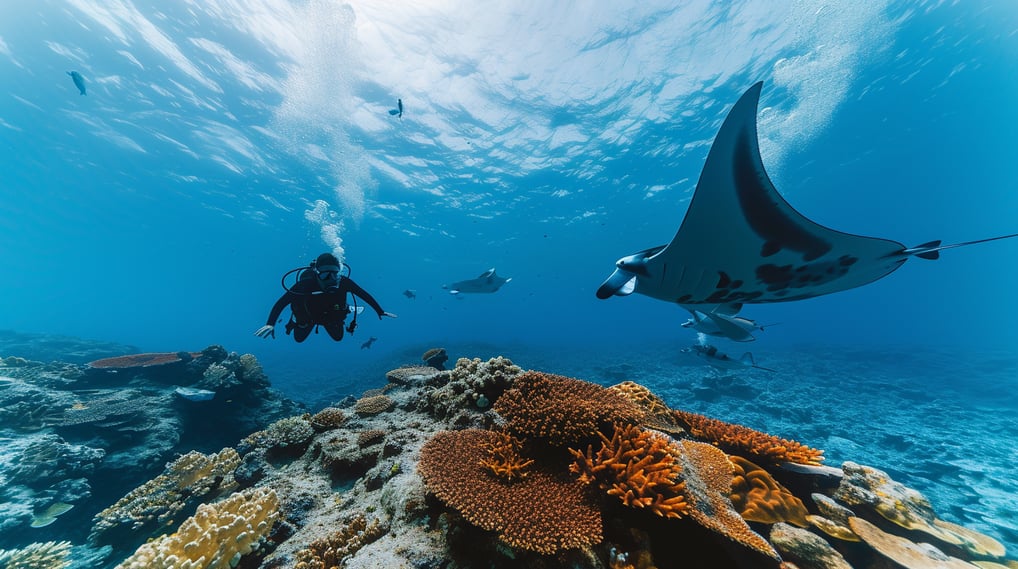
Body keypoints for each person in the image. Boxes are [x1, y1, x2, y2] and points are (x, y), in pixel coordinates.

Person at [255, 253, 396, 343]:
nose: (331, 279)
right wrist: (270, 323)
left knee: (338, 338)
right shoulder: (305, 284)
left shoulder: (344, 282)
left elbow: (364, 295)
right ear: (317, 273)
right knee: (298, 339)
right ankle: (298, 322)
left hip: (332, 318)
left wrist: (380, 311)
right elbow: (281, 303)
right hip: (307, 319)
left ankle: (346, 309)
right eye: (325, 275)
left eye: (335, 274)